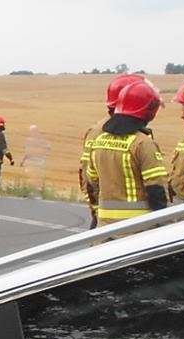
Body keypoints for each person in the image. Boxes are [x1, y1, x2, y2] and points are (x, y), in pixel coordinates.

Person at [87, 80, 170, 225]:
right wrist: (164, 223)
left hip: (104, 226)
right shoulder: (143, 144)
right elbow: (156, 188)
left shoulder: (98, 141)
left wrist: (97, 211)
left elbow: (91, 182)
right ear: (150, 111)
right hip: (136, 229)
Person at [81, 74, 150, 227]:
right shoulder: (104, 132)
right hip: (122, 220)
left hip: (108, 216)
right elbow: (88, 178)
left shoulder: (105, 129)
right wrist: (97, 210)